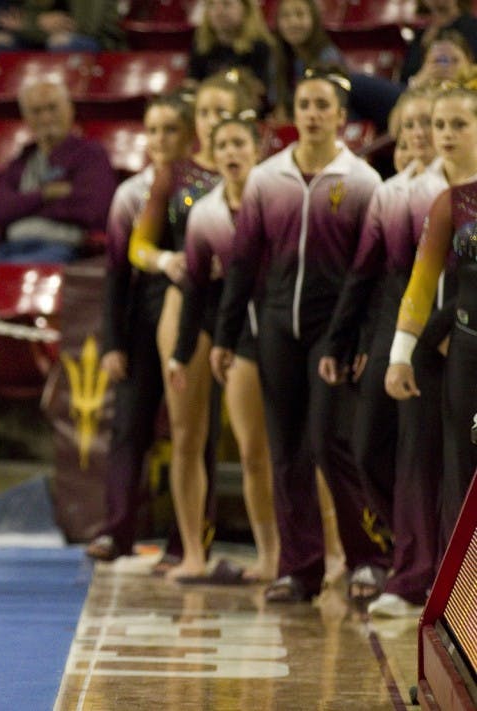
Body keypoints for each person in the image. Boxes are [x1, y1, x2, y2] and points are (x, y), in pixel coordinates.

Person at [210, 66, 390, 604]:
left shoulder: (363, 182)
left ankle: (367, 559)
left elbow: (373, 275)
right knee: (286, 450)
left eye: (322, 106)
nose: (312, 114)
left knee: (331, 444)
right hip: (276, 331)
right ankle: (300, 568)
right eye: (304, 106)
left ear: (341, 117)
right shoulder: (268, 179)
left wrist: (357, 340)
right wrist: (224, 335)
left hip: (332, 335)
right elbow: (242, 264)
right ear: (294, 116)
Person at [122, 71, 256, 580]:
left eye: (223, 113)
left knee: (255, 437)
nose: (212, 122)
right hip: (188, 301)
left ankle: (279, 552)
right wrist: (165, 262)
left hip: (243, 304)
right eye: (204, 113)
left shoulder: (255, 173)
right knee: (186, 433)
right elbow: (139, 244)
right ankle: (193, 550)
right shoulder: (174, 174)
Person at [319, 87, 447, 618]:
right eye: (409, 125)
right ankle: (407, 544)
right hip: (389, 330)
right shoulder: (392, 192)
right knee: (366, 442)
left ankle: (422, 567)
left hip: (440, 333)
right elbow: (365, 273)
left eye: (427, 124)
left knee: (424, 453)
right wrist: (341, 340)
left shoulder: (455, 188)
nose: (418, 133)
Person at [167, 114, 280, 583]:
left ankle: (319, 555)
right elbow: (194, 288)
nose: (232, 153)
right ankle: (256, 555)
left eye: (240, 143)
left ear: (258, 148)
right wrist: (180, 351)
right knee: (252, 451)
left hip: (284, 326)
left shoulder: (280, 197)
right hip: (236, 335)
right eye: (223, 146)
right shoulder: (206, 212)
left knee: (296, 448)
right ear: (212, 156)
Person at [86, 93, 195, 562]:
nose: (160, 139)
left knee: (192, 430)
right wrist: (112, 341)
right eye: (152, 130)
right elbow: (114, 273)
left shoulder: (202, 189)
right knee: (129, 428)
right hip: (138, 319)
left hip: (191, 314)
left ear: (189, 134)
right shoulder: (130, 193)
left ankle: (186, 540)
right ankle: (117, 531)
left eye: (170, 129)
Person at [386, 73, 477, 571]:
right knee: (460, 471)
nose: (446, 133)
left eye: (460, 124)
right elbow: (419, 287)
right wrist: (401, 356)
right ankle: (461, 595)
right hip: (466, 350)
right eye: (440, 123)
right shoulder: (450, 203)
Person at [0, 77, 116, 264]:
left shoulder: (90, 155)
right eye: (36, 111)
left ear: (70, 110)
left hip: (62, 248)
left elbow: (92, 210)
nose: (45, 118)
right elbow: (0, 208)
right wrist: (45, 194)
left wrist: (23, 206)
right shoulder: (22, 159)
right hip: (8, 247)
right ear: (26, 118)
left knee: (11, 271)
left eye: (52, 108)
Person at [348, 0, 477, 133]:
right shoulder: (421, 33)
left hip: (459, 91)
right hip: (415, 91)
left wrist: (462, 74)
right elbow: (404, 76)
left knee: (355, 82)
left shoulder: (472, 27)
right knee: (349, 89)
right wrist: (420, 81)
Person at [186, 0, 279, 115]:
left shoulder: (261, 46)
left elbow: (260, 93)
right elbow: (191, 84)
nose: (218, 11)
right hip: (210, 111)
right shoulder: (200, 44)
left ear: (246, 8)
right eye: (211, 4)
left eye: (227, 4)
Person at [270, 0, 344, 122]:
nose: (293, 23)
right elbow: (278, 106)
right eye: (285, 16)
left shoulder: (328, 57)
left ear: (314, 19)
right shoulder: (277, 56)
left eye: (300, 14)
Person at [0, 0, 125, 52]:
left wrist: (33, 25)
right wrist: (37, 23)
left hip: (99, 46)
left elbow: (85, 28)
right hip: (41, 39)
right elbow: (20, 18)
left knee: (62, 42)